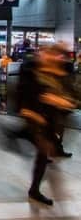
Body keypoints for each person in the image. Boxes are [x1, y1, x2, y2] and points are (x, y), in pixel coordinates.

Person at [17, 44, 77, 205]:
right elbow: (23, 92)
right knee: (43, 151)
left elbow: (72, 97)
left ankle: (34, 189)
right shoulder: (30, 69)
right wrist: (28, 110)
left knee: (44, 153)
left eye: (56, 55)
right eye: (47, 53)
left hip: (50, 119)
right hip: (35, 117)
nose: (50, 57)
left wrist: (63, 102)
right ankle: (34, 189)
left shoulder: (61, 73)